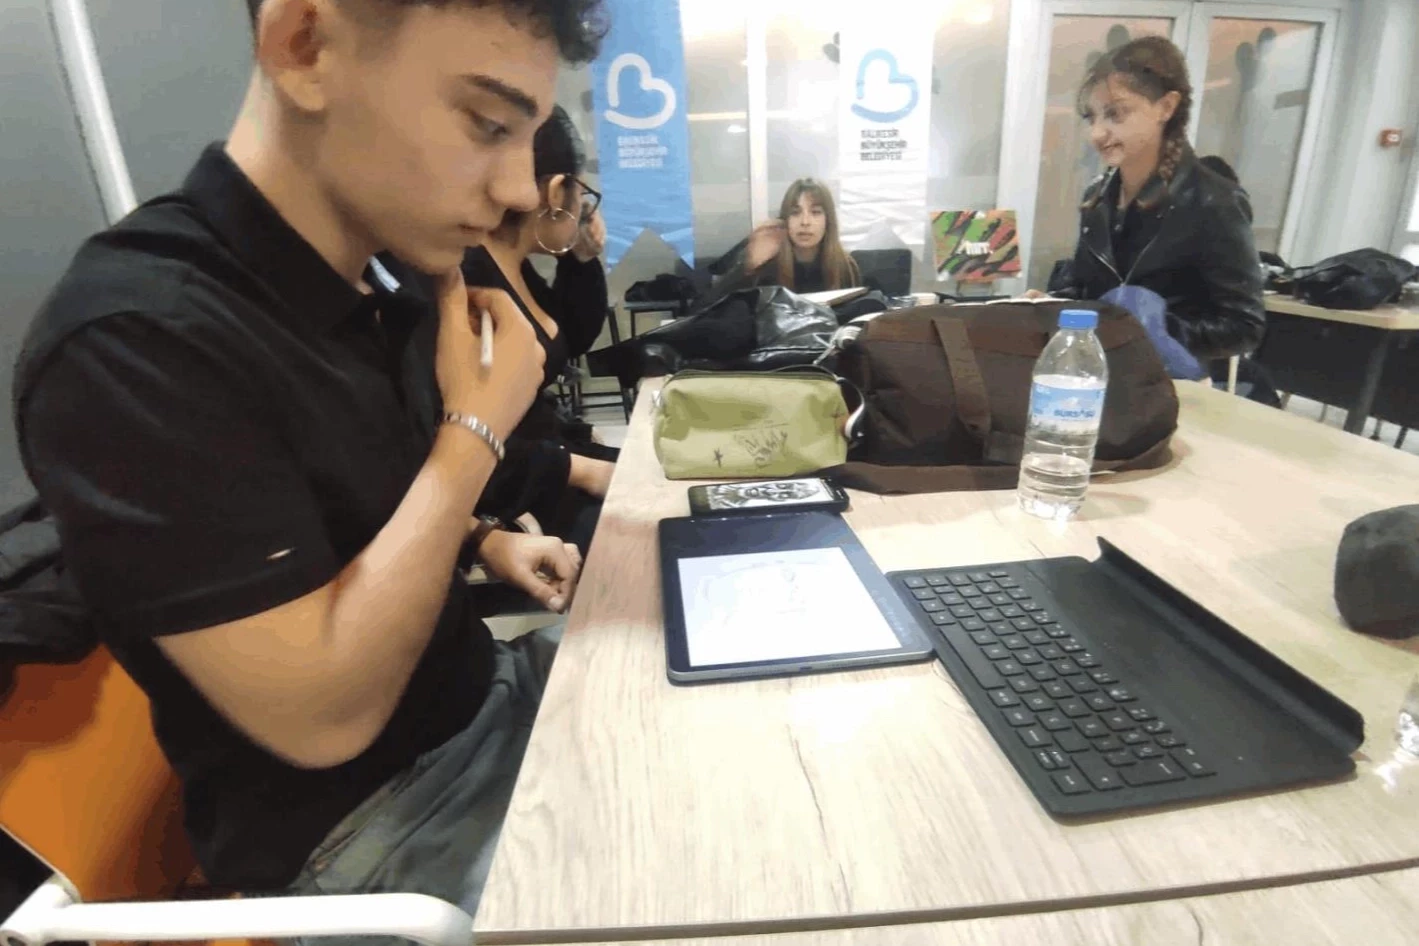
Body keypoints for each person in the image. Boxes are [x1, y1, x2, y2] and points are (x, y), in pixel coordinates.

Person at [12, 0, 605, 930]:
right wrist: (474, 431)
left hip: (485, 700)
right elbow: (322, 718)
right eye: (488, 125)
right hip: (377, 833)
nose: (522, 191)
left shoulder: (376, 279)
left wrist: (484, 537)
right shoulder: (136, 341)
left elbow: (351, 506)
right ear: (304, 45)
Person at [1046, 36, 1266, 361]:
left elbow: (1243, 327)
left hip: (1177, 380)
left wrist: (1156, 332)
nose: (1096, 133)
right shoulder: (1096, 198)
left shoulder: (1213, 201)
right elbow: (1085, 290)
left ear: (1166, 107)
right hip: (1103, 370)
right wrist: (1050, 304)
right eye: (1092, 117)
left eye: (1115, 114)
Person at [462, 106, 617, 555]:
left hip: (550, 463)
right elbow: (474, 441)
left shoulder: (511, 263)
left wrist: (581, 260)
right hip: (519, 490)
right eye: (581, 194)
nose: (583, 209)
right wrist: (583, 469)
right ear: (555, 191)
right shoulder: (472, 276)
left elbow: (571, 338)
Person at [716, 178, 861, 295]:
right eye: (795, 213)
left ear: (828, 220)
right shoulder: (766, 264)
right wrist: (748, 267)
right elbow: (710, 309)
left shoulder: (845, 266)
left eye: (815, 212)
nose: (805, 222)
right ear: (785, 219)